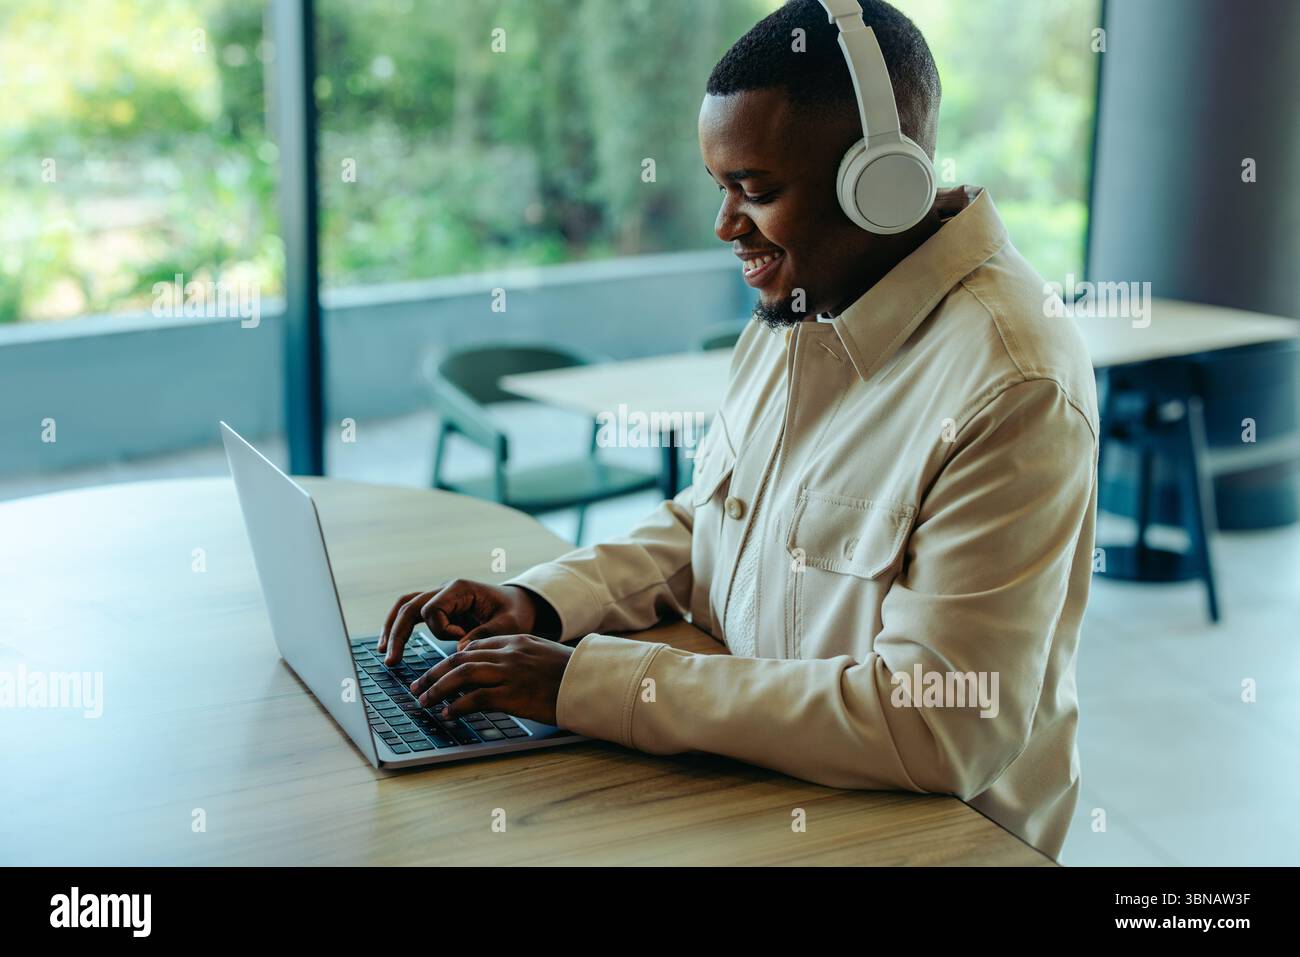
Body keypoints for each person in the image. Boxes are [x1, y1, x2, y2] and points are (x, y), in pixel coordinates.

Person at [379, 0, 1098, 860]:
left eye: (754, 192)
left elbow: (939, 723)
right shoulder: (801, 307)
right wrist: (542, 602)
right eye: (720, 189)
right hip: (769, 791)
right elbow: (713, 518)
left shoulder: (1011, 385)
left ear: (882, 183)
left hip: (932, 838)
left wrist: (588, 683)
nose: (726, 227)